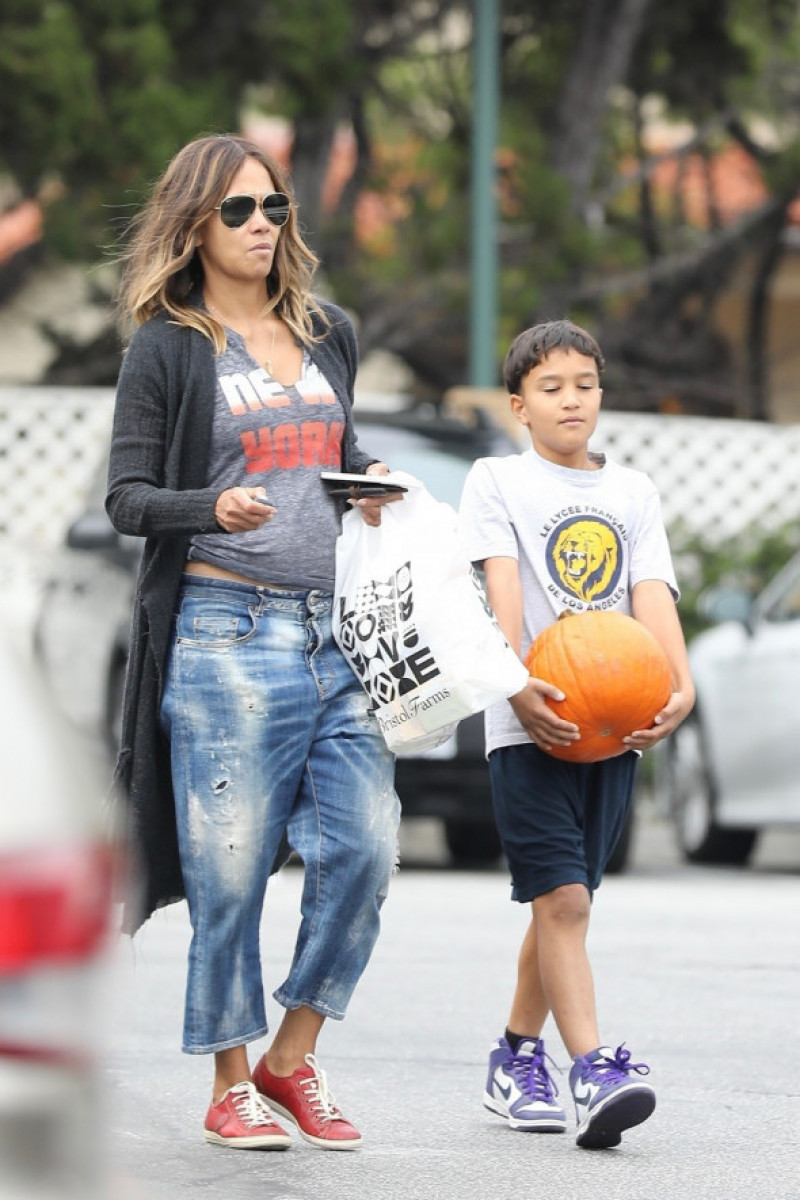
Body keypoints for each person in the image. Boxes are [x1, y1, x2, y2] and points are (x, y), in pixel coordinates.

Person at [106, 133, 402, 1153]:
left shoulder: (327, 332)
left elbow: (337, 451)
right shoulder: (169, 348)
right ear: (194, 223)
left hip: (334, 638)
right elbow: (128, 498)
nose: (261, 225)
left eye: (272, 206)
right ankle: (231, 1078)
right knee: (228, 868)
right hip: (223, 633)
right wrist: (209, 506)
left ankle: (291, 1055)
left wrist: (371, 486)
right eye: (237, 210)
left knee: (365, 850)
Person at [458, 319, 694, 1150]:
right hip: (531, 725)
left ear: (601, 394)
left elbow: (652, 590)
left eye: (584, 385)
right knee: (562, 900)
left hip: (616, 724)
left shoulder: (632, 493)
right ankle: (593, 1068)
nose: (570, 400)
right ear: (520, 405)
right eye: (551, 388)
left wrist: (682, 680)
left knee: (565, 904)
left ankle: (514, 1057)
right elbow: (502, 591)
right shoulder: (497, 480)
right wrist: (516, 684)